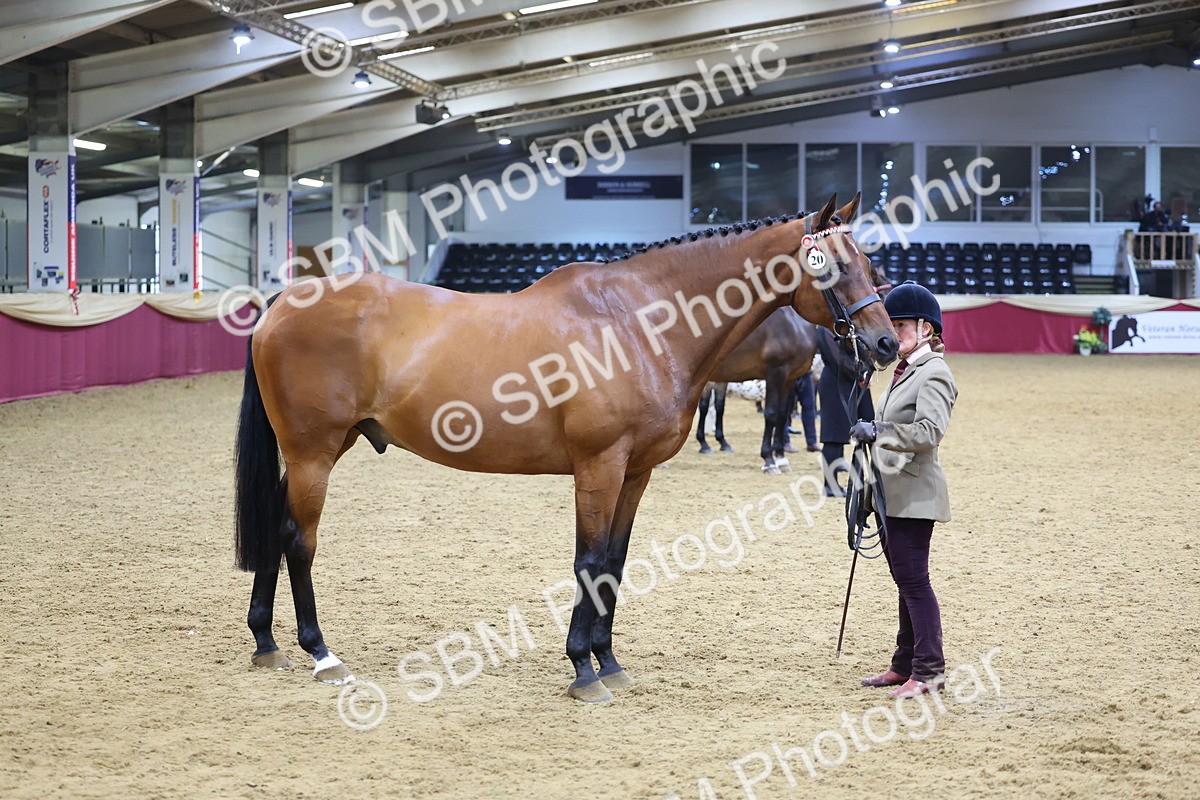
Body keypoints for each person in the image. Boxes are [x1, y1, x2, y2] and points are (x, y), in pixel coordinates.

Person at [849, 281, 958, 699]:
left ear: (927, 329)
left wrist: (879, 430)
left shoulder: (935, 373)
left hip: (915, 494)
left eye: (902, 325)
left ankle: (929, 670)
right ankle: (904, 663)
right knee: (904, 580)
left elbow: (929, 432)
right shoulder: (904, 371)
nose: (894, 333)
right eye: (891, 326)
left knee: (914, 581)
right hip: (891, 491)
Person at [815, 326, 873, 497]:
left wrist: (866, 369)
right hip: (835, 383)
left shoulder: (852, 326)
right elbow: (837, 360)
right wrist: (862, 373)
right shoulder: (824, 329)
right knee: (834, 436)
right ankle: (830, 484)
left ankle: (870, 476)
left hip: (856, 383)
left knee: (870, 424)